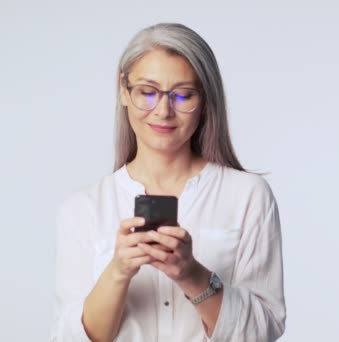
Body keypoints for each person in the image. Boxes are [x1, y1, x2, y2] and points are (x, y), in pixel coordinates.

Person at [51, 23, 286, 342]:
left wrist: (191, 274)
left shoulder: (247, 196)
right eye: (147, 92)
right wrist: (118, 271)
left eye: (183, 95)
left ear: (205, 99)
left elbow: (264, 331)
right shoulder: (82, 209)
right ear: (124, 90)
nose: (163, 111)